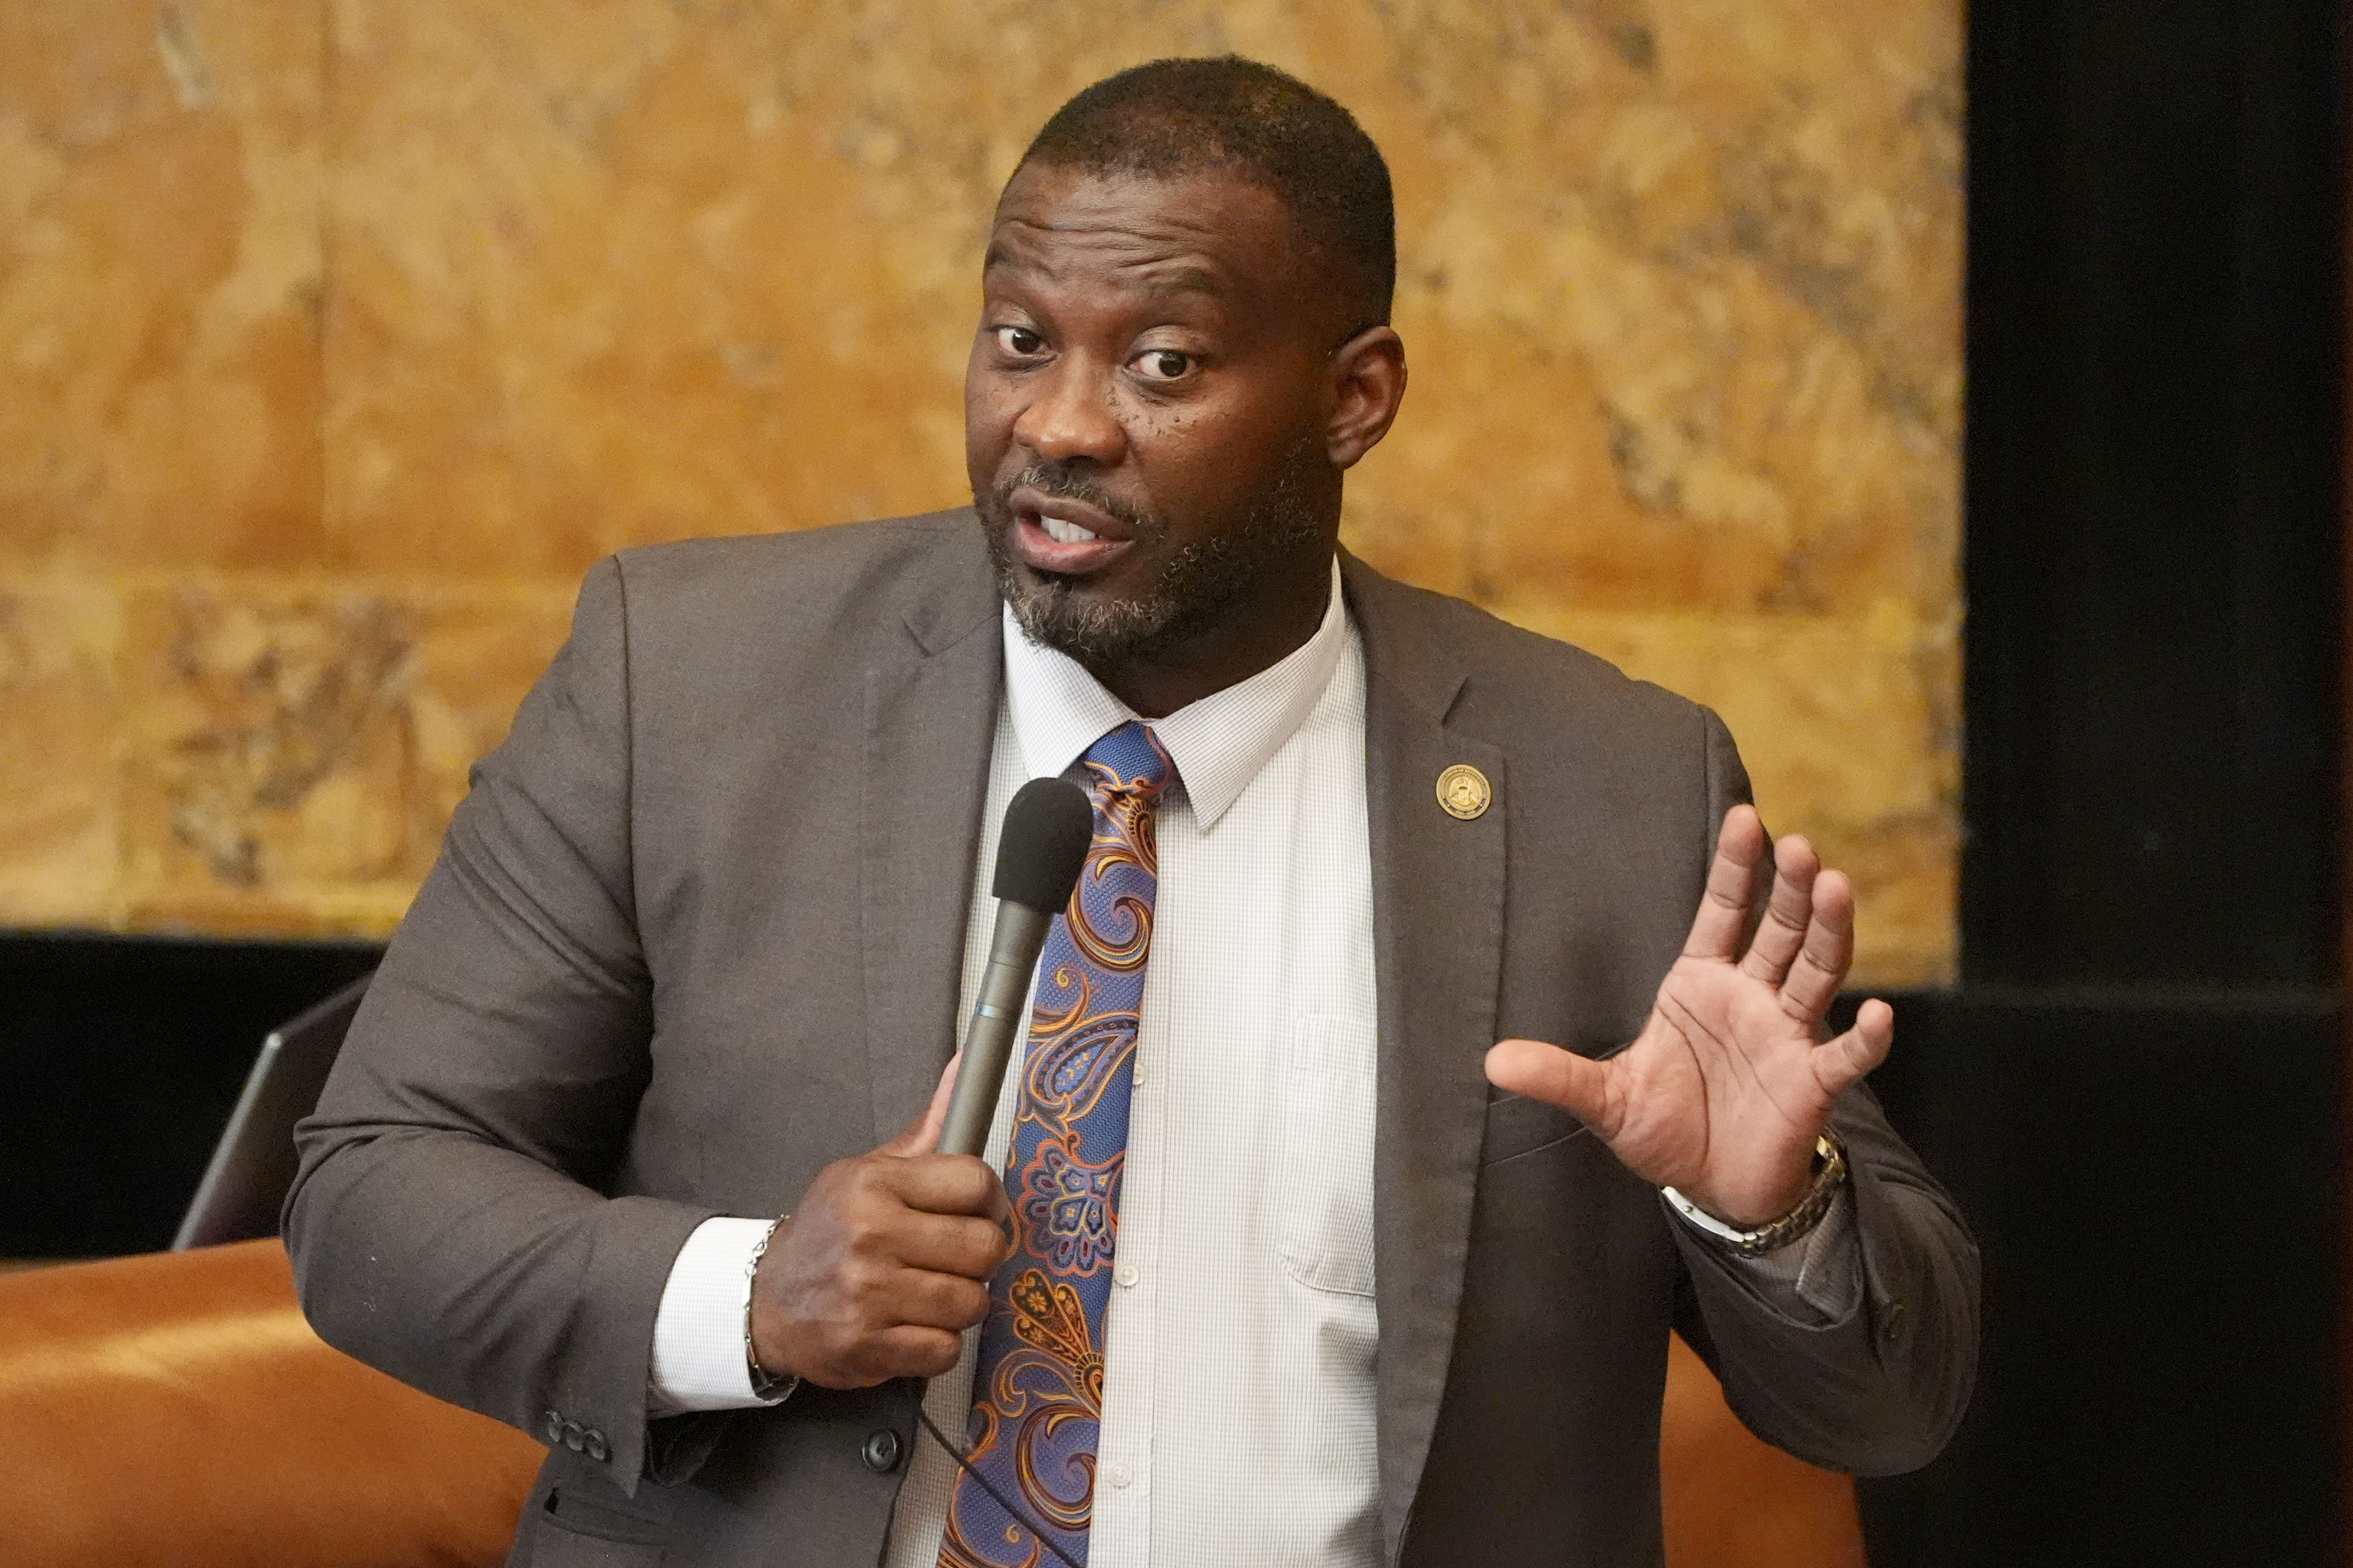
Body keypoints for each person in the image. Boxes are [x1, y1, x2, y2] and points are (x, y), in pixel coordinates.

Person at [287, 56, 1977, 1568]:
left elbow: (1887, 1411)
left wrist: (1766, 1214)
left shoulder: (1608, 787)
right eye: (1022, 341)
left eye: (1162, 363)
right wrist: (749, 1296)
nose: (1059, 424)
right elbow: (376, 1187)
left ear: (1353, 398)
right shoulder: (694, 688)